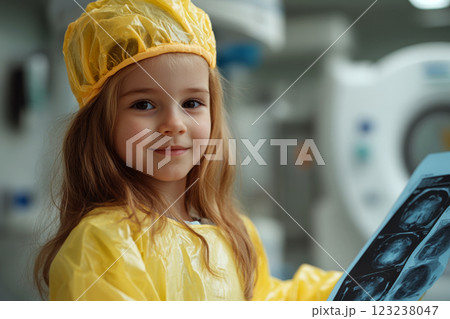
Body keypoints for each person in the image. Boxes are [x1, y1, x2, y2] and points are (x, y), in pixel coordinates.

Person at [34, 0, 341, 301]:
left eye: (192, 103)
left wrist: (353, 286)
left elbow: (268, 299)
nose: (174, 124)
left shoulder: (233, 232)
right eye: (144, 104)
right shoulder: (101, 244)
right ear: (100, 122)